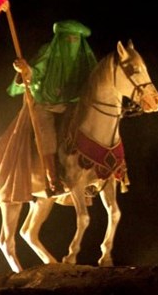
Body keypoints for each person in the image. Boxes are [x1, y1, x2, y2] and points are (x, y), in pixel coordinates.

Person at [8, 19, 97, 195]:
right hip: (46, 103)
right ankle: (53, 179)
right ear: (60, 39)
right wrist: (25, 70)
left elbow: (94, 78)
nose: (71, 43)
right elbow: (36, 72)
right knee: (47, 135)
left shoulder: (84, 57)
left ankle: (94, 170)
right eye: (67, 39)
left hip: (72, 104)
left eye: (75, 39)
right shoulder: (49, 52)